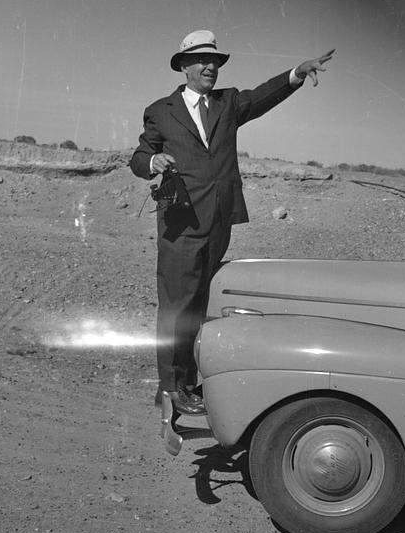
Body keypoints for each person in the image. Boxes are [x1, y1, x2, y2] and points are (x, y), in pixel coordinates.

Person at [130, 30, 334, 415]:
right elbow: (140, 156)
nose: (211, 67)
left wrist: (298, 72)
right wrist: (153, 162)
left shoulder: (229, 103)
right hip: (180, 221)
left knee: (201, 303)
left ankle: (187, 383)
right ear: (185, 65)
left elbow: (264, 95)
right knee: (177, 305)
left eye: (216, 61)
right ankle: (171, 387)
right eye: (204, 61)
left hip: (219, 219)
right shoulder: (161, 110)